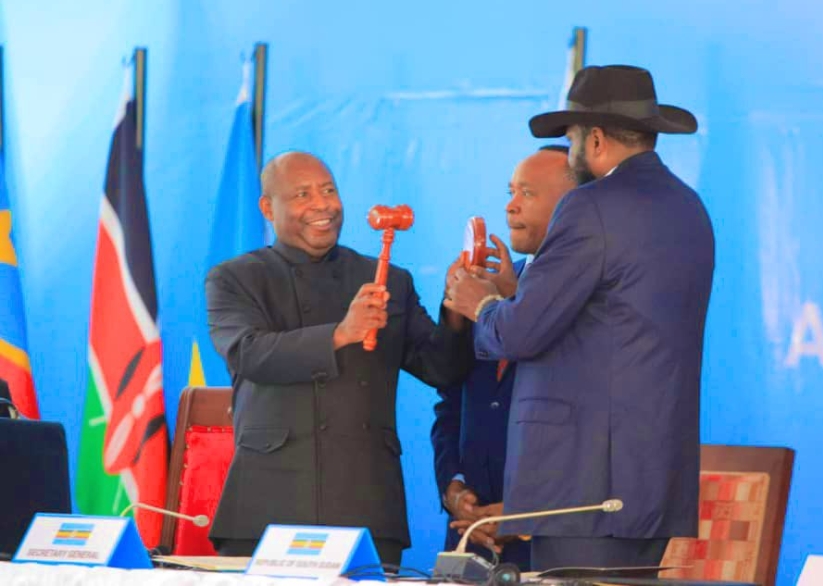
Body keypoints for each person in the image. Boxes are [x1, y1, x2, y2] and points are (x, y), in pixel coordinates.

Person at [444, 65, 715, 572]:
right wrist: (519, 297)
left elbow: (521, 333)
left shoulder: (590, 207)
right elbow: (610, 319)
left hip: (583, 486)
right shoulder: (689, 207)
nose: (570, 151)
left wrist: (481, 304)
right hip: (649, 481)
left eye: (569, 138)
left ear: (593, 139)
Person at [205, 151, 472, 564]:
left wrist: (456, 308)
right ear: (267, 208)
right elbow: (248, 353)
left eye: (329, 190)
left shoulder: (388, 278)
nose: (322, 205)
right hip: (266, 505)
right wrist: (340, 334)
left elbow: (443, 368)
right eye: (302, 194)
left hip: (365, 502)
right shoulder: (236, 277)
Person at [431, 145, 576, 570]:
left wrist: (525, 512)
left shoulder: (588, 295)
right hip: (470, 534)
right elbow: (451, 401)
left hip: (549, 542)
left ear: (573, 206)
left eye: (527, 194)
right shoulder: (486, 286)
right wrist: (453, 488)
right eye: (511, 192)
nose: (510, 206)